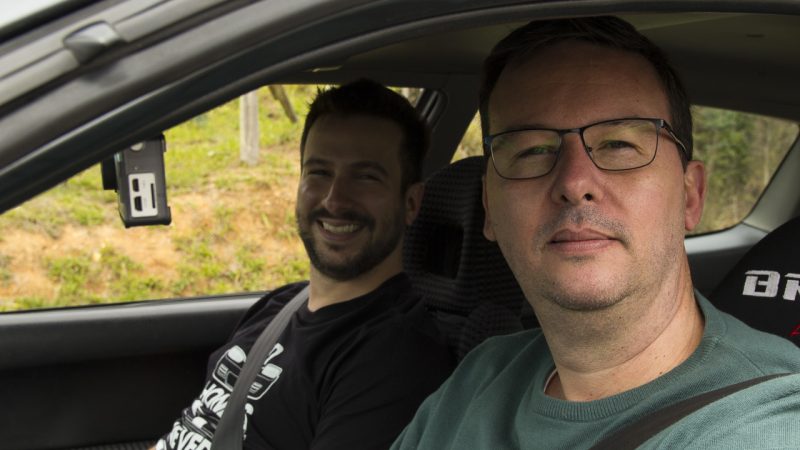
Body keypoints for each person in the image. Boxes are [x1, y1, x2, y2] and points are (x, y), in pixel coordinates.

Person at [391, 17, 800, 449]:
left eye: (619, 144)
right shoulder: (481, 375)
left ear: (690, 196)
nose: (574, 182)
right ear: (489, 209)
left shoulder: (765, 428)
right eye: (532, 150)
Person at [155, 79, 455, 450]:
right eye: (319, 173)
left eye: (366, 177)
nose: (334, 200)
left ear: (410, 203)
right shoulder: (279, 306)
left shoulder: (396, 357)